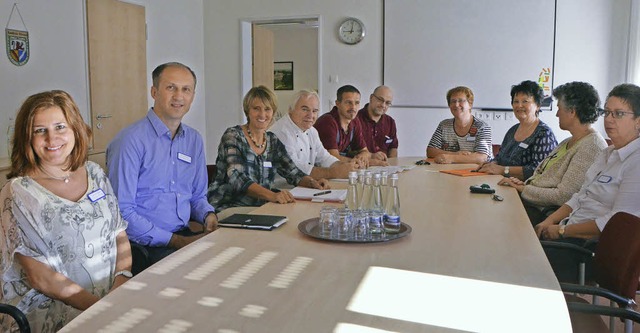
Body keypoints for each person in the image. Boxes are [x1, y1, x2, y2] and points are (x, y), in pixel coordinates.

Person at [0, 90, 131, 332]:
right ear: (27, 137)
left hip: (110, 298)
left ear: (75, 129)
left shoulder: (94, 173)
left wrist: (122, 281)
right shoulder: (18, 193)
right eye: (40, 130)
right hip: (52, 313)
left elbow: (119, 234)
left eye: (60, 127)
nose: (52, 139)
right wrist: (100, 308)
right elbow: (41, 277)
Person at [107, 62, 217, 275]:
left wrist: (208, 215)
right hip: (144, 246)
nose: (179, 96)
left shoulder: (193, 140)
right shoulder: (130, 141)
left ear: (193, 96)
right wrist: (175, 241)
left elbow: (197, 196)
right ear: (154, 92)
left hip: (182, 235)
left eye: (186, 89)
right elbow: (122, 212)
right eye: (171, 88)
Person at [535, 83, 640, 283]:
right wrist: (550, 222)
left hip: (587, 251)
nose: (609, 119)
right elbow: (579, 197)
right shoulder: (608, 153)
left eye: (618, 114)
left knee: (518, 260)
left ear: (638, 121)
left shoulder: (636, 162)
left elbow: (615, 223)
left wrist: (562, 231)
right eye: (607, 112)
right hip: (569, 235)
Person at [499, 82, 607, 225]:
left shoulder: (591, 146)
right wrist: (524, 184)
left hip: (543, 214)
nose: (556, 114)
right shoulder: (569, 141)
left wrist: (523, 188)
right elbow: (544, 177)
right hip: (533, 203)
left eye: (559, 108)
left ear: (572, 111)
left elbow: (563, 196)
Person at [208, 86, 329, 211]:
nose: (262, 114)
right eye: (256, 109)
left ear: (273, 112)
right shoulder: (233, 136)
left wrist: (313, 183)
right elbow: (237, 178)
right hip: (229, 205)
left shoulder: (272, 140)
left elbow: (293, 172)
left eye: (267, 109)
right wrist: (273, 195)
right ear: (247, 111)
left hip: (261, 206)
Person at [269, 89, 358, 179]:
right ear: (290, 110)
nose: (310, 115)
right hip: (283, 187)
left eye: (314, 111)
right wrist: (333, 172)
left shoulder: (312, 131)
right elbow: (296, 168)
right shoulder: (282, 132)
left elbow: (324, 157)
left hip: (306, 183)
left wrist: (344, 166)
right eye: (305, 109)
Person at [478, 80, 557, 180]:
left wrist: (503, 170)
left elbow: (539, 170)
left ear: (537, 106)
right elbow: (500, 157)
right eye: (516, 101)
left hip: (525, 191)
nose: (519, 106)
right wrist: (491, 164)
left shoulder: (544, 134)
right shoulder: (513, 130)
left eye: (525, 101)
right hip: (503, 183)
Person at [314, 85, 388, 168]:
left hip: (339, 169)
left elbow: (365, 151)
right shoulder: (327, 122)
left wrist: (363, 156)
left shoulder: (355, 121)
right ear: (338, 104)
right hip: (320, 171)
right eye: (348, 102)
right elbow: (333, 158)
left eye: (357, 103)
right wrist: (369, 162)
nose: (353, 107)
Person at [426, 86, 493, 164]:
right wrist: (455, 154)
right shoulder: (444, 125)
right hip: (449, 171)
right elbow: (430, 151)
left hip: (477, 173)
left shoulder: (482, 127)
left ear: (470, 104)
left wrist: (452, 158)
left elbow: (482, 158)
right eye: (453, 101)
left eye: (461, 101)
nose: (456, 105)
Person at [356, 85, 399, 160]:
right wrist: (371, 156)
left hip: (384, 168)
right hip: (362, 167)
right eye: (380, 100)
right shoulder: (355, 119)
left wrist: (392, 165)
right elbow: (350, 151)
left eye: (387, 103)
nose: (383, 105)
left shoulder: (390, 122)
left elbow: (393, 147)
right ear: (371, 98)